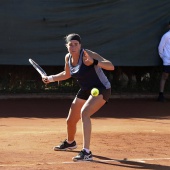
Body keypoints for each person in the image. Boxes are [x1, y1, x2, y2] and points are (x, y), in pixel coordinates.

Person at [42, 33, 114, 161]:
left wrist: (94, 62)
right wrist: (50, 78)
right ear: (67, 46)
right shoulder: (68, 58)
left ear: (80, 45)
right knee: (70, 120)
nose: (73, 46)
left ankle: (86, 152)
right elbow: (67, 74)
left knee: (85, 113)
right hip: (85, 89)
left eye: (76, 44)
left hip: (101, 88)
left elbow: (110, 66)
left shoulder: (87, 54)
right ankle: (70, 143)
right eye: (71, 44)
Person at [157, 21, 170, 102]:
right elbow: (160, 48)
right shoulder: (166, 36)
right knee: (165, 76)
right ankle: (161, 95)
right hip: (167, 61)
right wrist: (164, 57)